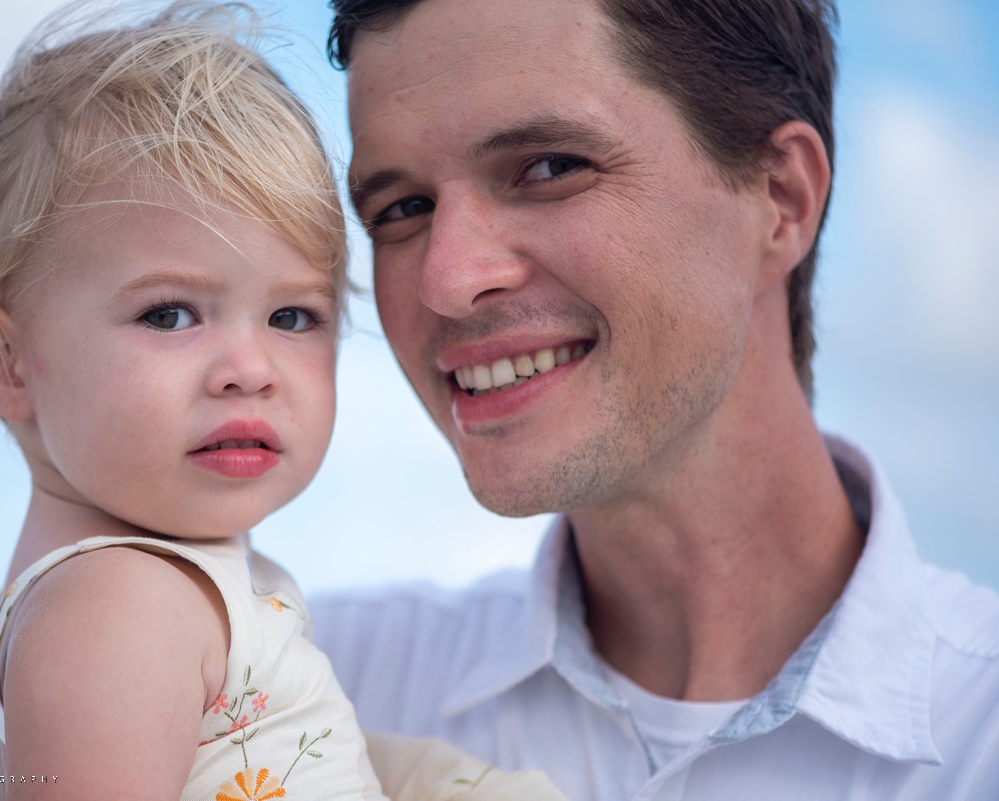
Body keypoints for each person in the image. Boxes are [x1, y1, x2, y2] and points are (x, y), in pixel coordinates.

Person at [312, 0, 999, 798]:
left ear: (781, 198)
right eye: (401, 210)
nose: (449, 281)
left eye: (550, 166)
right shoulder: (303, 690)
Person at [0, 1, 565, 798]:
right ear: (5, 360)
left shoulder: (184, 587)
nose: (249, 368)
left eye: (291, 316)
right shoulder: (113, 610)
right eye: (168, 314)